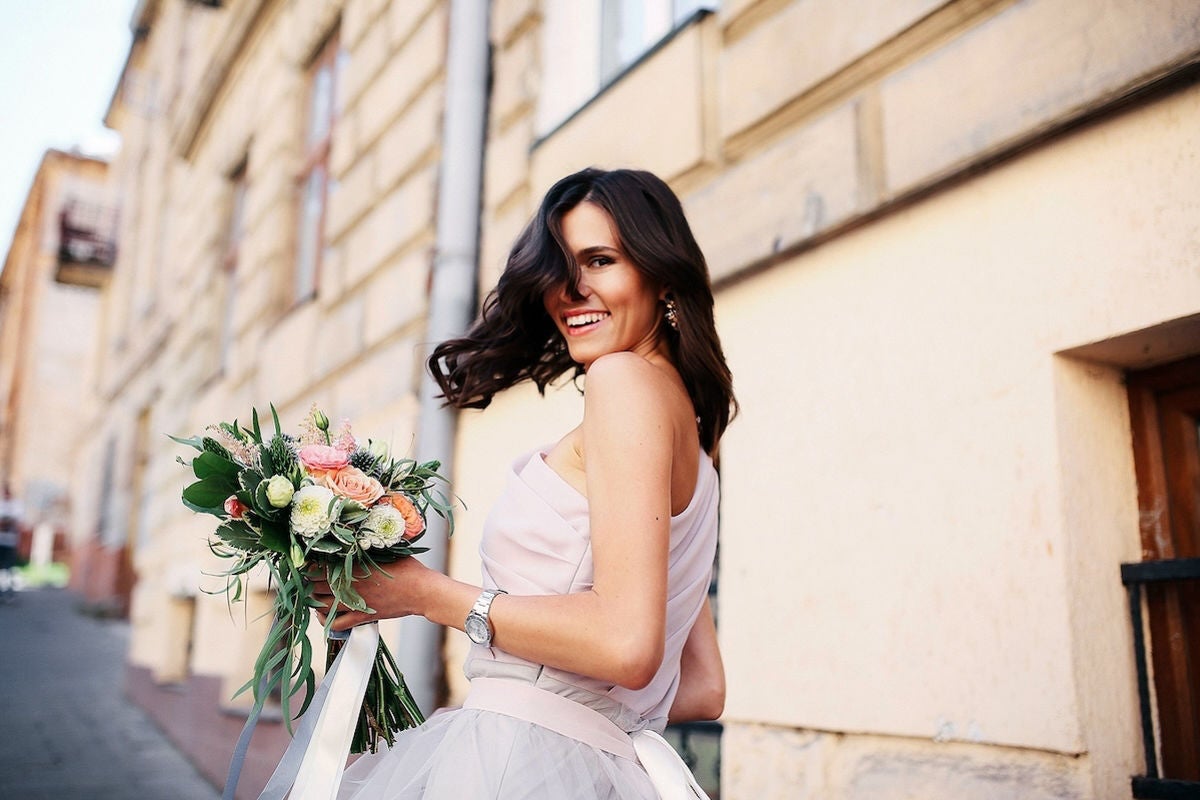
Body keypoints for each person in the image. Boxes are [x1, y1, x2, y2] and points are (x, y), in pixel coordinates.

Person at [313, 167, 737, 799]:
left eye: (600, 260)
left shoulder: (622, 384)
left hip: (520, 763)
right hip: (580, 762)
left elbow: (627, 644)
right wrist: (571, 708)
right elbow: (702, 686)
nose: (570, 290)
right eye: (560, 268)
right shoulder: (695, 440)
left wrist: (423, 593)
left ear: (663, 275)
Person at [0, 483, 21, 603]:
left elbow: (16, 522)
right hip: (1, 541)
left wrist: (5, 521)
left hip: (11, 542)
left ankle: (10, 593)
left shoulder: (16, 505)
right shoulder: (1, 505)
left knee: (9, 569)